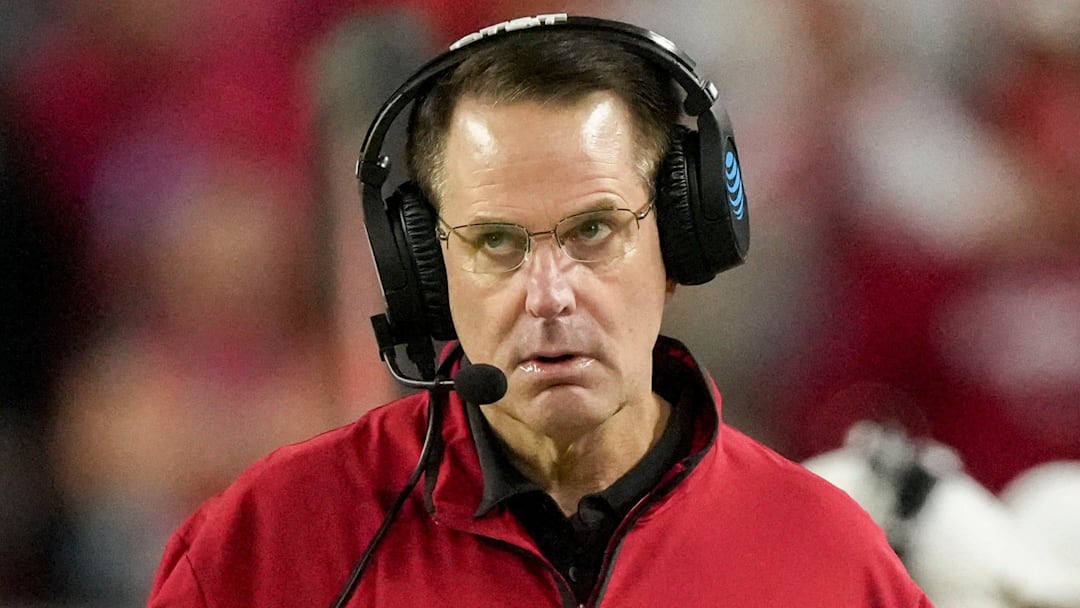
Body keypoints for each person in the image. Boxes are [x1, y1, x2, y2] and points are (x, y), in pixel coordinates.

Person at [147, 15, 933, 607]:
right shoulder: (268, 543)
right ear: (428, 270)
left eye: (594, 231)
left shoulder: (830, 561)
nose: (549, 295)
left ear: (679, 242)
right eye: (495, 242)